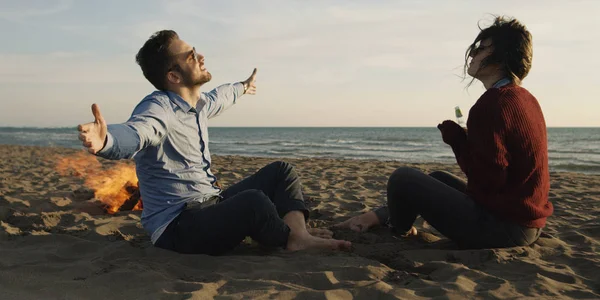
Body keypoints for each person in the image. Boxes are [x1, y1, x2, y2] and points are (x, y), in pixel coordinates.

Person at [77, 30, 351, 255]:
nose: (201, 57)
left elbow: (222, 96)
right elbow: (138, 131)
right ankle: (290, 238)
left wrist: (243, 86)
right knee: (254, 202)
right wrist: (107, 140)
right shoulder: (159, 108)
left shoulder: (199, 104)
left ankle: (298, 235)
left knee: (282, 171)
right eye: (191, 56)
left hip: (209, 204)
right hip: (178, 227)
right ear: (173, 76)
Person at [335, 16, 553, 249]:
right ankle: (378, 216)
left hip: (504, 229)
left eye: (481, 48)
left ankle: (399, 230)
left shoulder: (493, 103)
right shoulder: (526, 99)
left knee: (403, 178)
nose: (472, 54)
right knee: (437, 178)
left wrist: (458, 142)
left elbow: (487, 180)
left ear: (500, 57)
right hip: (528, 225)